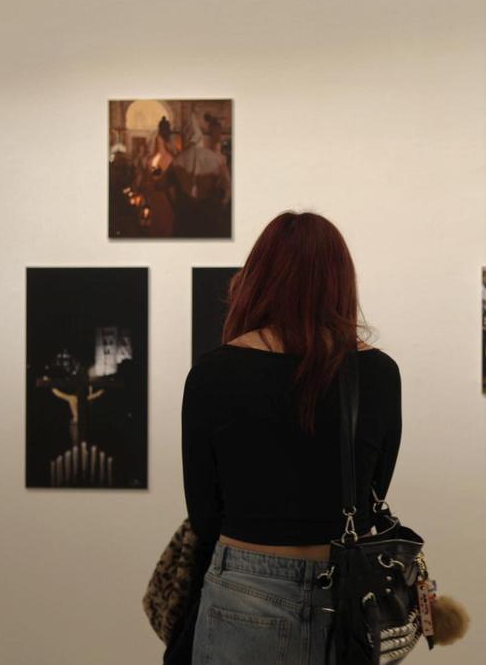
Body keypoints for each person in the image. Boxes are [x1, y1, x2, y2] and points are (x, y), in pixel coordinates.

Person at [175, 212, 403, 664]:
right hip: (345, 594)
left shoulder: (214, 372)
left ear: (258, 278)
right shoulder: (378, 373)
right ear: (341, 281)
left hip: (241, 585)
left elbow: (203, 514)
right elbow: (373, 489)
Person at [169, 114, 232, 237]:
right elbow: (228, 188)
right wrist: (222, 205)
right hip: (210, 216)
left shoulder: (177, 160)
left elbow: (161, 184)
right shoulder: (217, 159)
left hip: (185, 219)